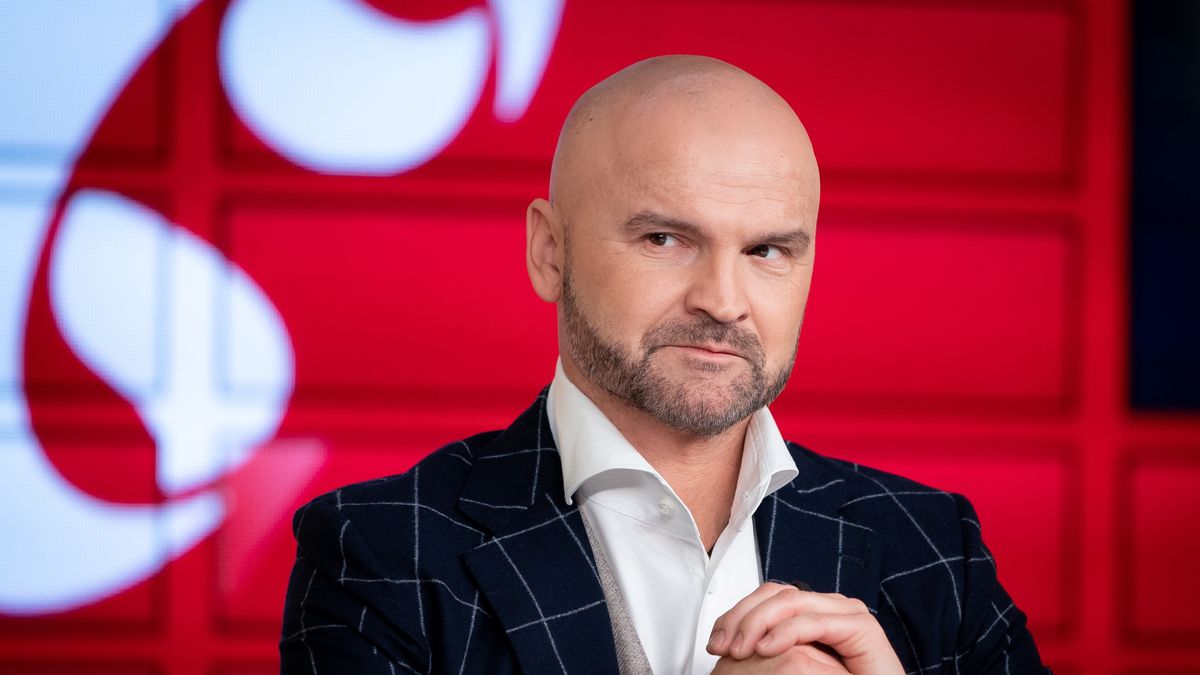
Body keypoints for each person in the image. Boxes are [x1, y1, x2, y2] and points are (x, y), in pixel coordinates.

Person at [279, 55, 1048, 674]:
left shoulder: (933, 546)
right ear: (551, 251)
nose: (723, 299)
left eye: (766, 250)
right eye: (665, 240)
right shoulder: (379, 554)